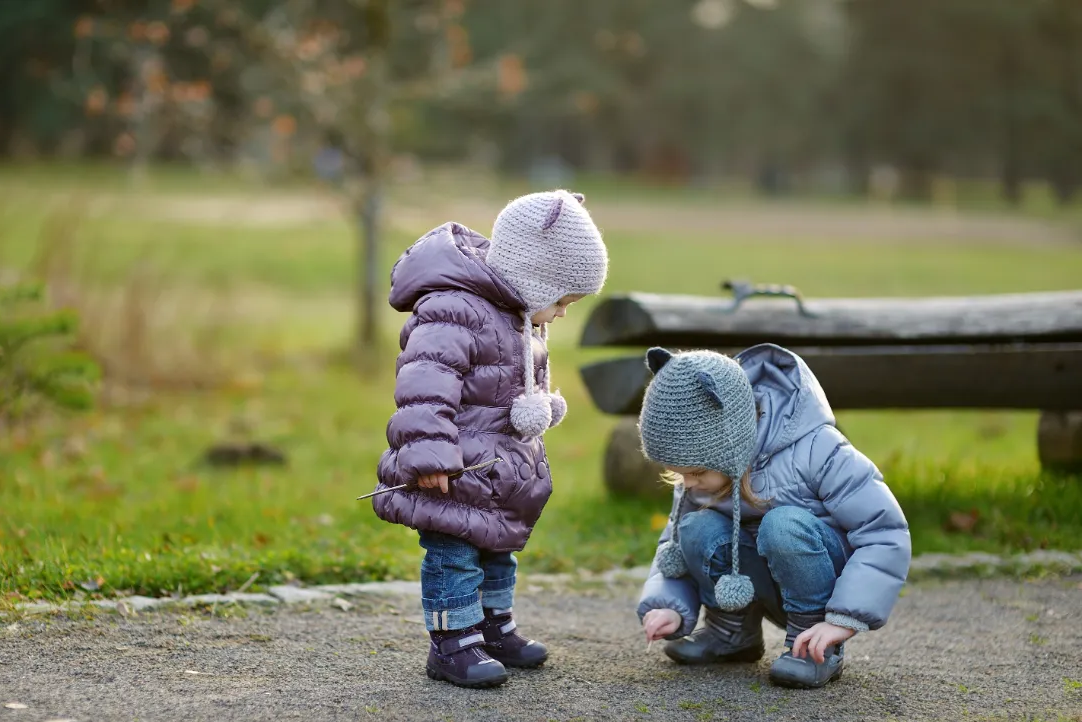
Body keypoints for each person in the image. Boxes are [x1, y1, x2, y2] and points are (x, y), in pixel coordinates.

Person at [372, 190, 608, 688]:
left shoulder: (517, 314)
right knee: (454, 554)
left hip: (496, 470)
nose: (564, 312)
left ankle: (493, 628)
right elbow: (424, 386)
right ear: (533, 277)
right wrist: (430, 455)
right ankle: (453, 642)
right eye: (563, 299)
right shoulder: (455, 310)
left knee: (498, 549)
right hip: (453, 469)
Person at [636, 345, 911, 688]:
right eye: (678, 473)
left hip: (820, 581)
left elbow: (883, 531)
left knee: (782, 525)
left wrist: (846, 618)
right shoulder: (699, 476)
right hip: (759, 578)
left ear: (731, 442)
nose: (687, 483)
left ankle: (810, 644)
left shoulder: (816, 448)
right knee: (696, 526)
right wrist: (669, 605)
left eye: (695, 472)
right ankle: (731, 632)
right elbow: (674, 545)